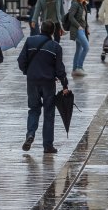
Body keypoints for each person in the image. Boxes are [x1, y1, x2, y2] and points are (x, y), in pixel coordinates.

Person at [17, 20, 70, 154]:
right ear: (52, 32)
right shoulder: (56, 47)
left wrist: (27, 72)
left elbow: (21, 60)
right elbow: (60, 69)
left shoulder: (30, 41)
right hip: (48, 83)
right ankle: (48, 146)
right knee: (49, 113)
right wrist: (64, 84)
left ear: (41, 28)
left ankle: (30, 134)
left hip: (32, 81)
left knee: (34, 109)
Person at [67, 0, 91, 76]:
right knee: (86, 47)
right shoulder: (75, 4)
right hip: (77, 30)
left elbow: (84, 19)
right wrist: (79, 26)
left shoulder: (83, 5)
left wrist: (87, 27)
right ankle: (79, 67)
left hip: (83, 29)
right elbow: (71, 17)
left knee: (78, 50)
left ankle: (74, 70)